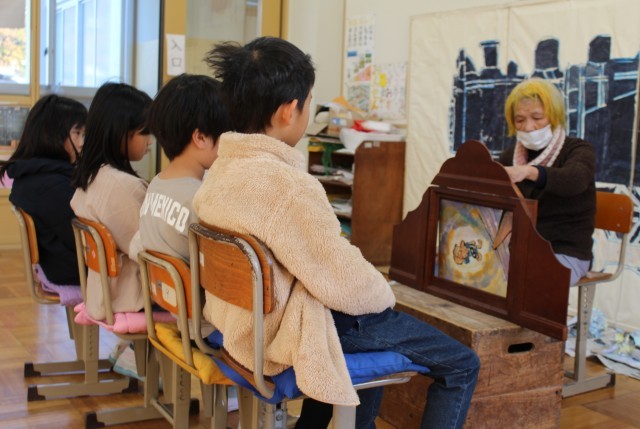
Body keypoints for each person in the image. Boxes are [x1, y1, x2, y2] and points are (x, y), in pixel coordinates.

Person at [194, 36, 480, 429]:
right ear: (289, 110)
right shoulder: (288, 187)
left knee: (366, 319)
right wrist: (383, 291)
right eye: (309, 102)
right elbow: (344, 282)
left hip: (243, 324)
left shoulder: (220, 172)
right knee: (462, 363)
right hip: (284, 331)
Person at [139, 73, 230, 338]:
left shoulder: (156, 185)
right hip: (210, 329)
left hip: (180, 315)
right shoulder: (200, 199)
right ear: (200, 137)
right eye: (226, 135)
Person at [499, 78, 596, 285]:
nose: (529, 127)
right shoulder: (509, 157)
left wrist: (530, 172)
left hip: (566, 251)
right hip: (519, 248)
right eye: (520, 120)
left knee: (527, 282)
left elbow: (575, 180)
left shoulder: (578, 150)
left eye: (537, 117)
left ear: (554, 116)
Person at [71, 82, 153, 320]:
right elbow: (151, 250)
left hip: (103, 293)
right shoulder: (123, 187)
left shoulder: (92, 176)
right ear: (121, 132)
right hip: (133, 297)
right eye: (145, 132)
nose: (150, 141)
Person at [0, 94, 87, 286]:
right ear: (52, 133)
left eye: (84, 134)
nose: (82, 142)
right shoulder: (50, 186)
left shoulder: (32, 174)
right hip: (71, 270)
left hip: (56, 265)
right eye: (77, 133)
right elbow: (84, 240)